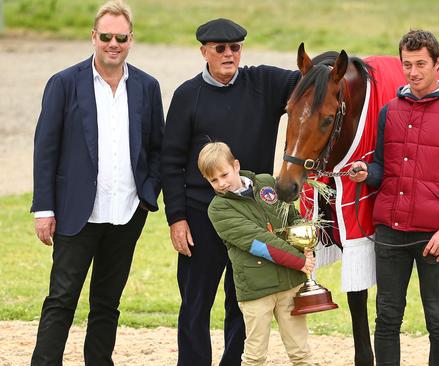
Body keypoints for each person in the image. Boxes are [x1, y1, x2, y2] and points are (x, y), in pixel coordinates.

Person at [29, 1, 164, 364]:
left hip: (126, 214)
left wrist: (146, 197)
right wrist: (44, 209)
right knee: (61, 299)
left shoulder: (147, 87)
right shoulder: (63, 83)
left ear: (131, 40)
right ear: (93, 37)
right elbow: (46, 150)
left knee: (107, 303)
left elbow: (156, 148)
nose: (113, 44)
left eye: (121, 37)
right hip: (76, 214)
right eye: (106, 36)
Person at [161, 18, 301, 365]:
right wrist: (176, 218)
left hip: (253, 218)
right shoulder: (186, 95)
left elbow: (313, 81)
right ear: (204, 52)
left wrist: (337, 64)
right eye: (220, 48)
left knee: (246, 299)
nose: (228, 54)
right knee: (196, 302)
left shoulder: (266, 83)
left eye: (235, 47)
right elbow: (171, 163)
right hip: (199, 215)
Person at [350, 29, 439, 365]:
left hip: (434, 235)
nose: (413, 72)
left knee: (437, 317)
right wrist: (368, 174)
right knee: (387, 316)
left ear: (438, 63)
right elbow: (382, 167)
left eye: (421, 64)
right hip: (391, 232)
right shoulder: (390, 111)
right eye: (407, 64)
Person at [197, 141, 315, 366]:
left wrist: (306, 243)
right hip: (257, 291)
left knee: (301, 352)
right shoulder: (219, 209)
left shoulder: (267, 183)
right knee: (255, 355)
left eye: (224, 174)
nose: (222, 183)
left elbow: (292, 216)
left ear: (236, 165)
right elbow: (259, 243)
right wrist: (300, 261)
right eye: (214, 180)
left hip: (290, 284)